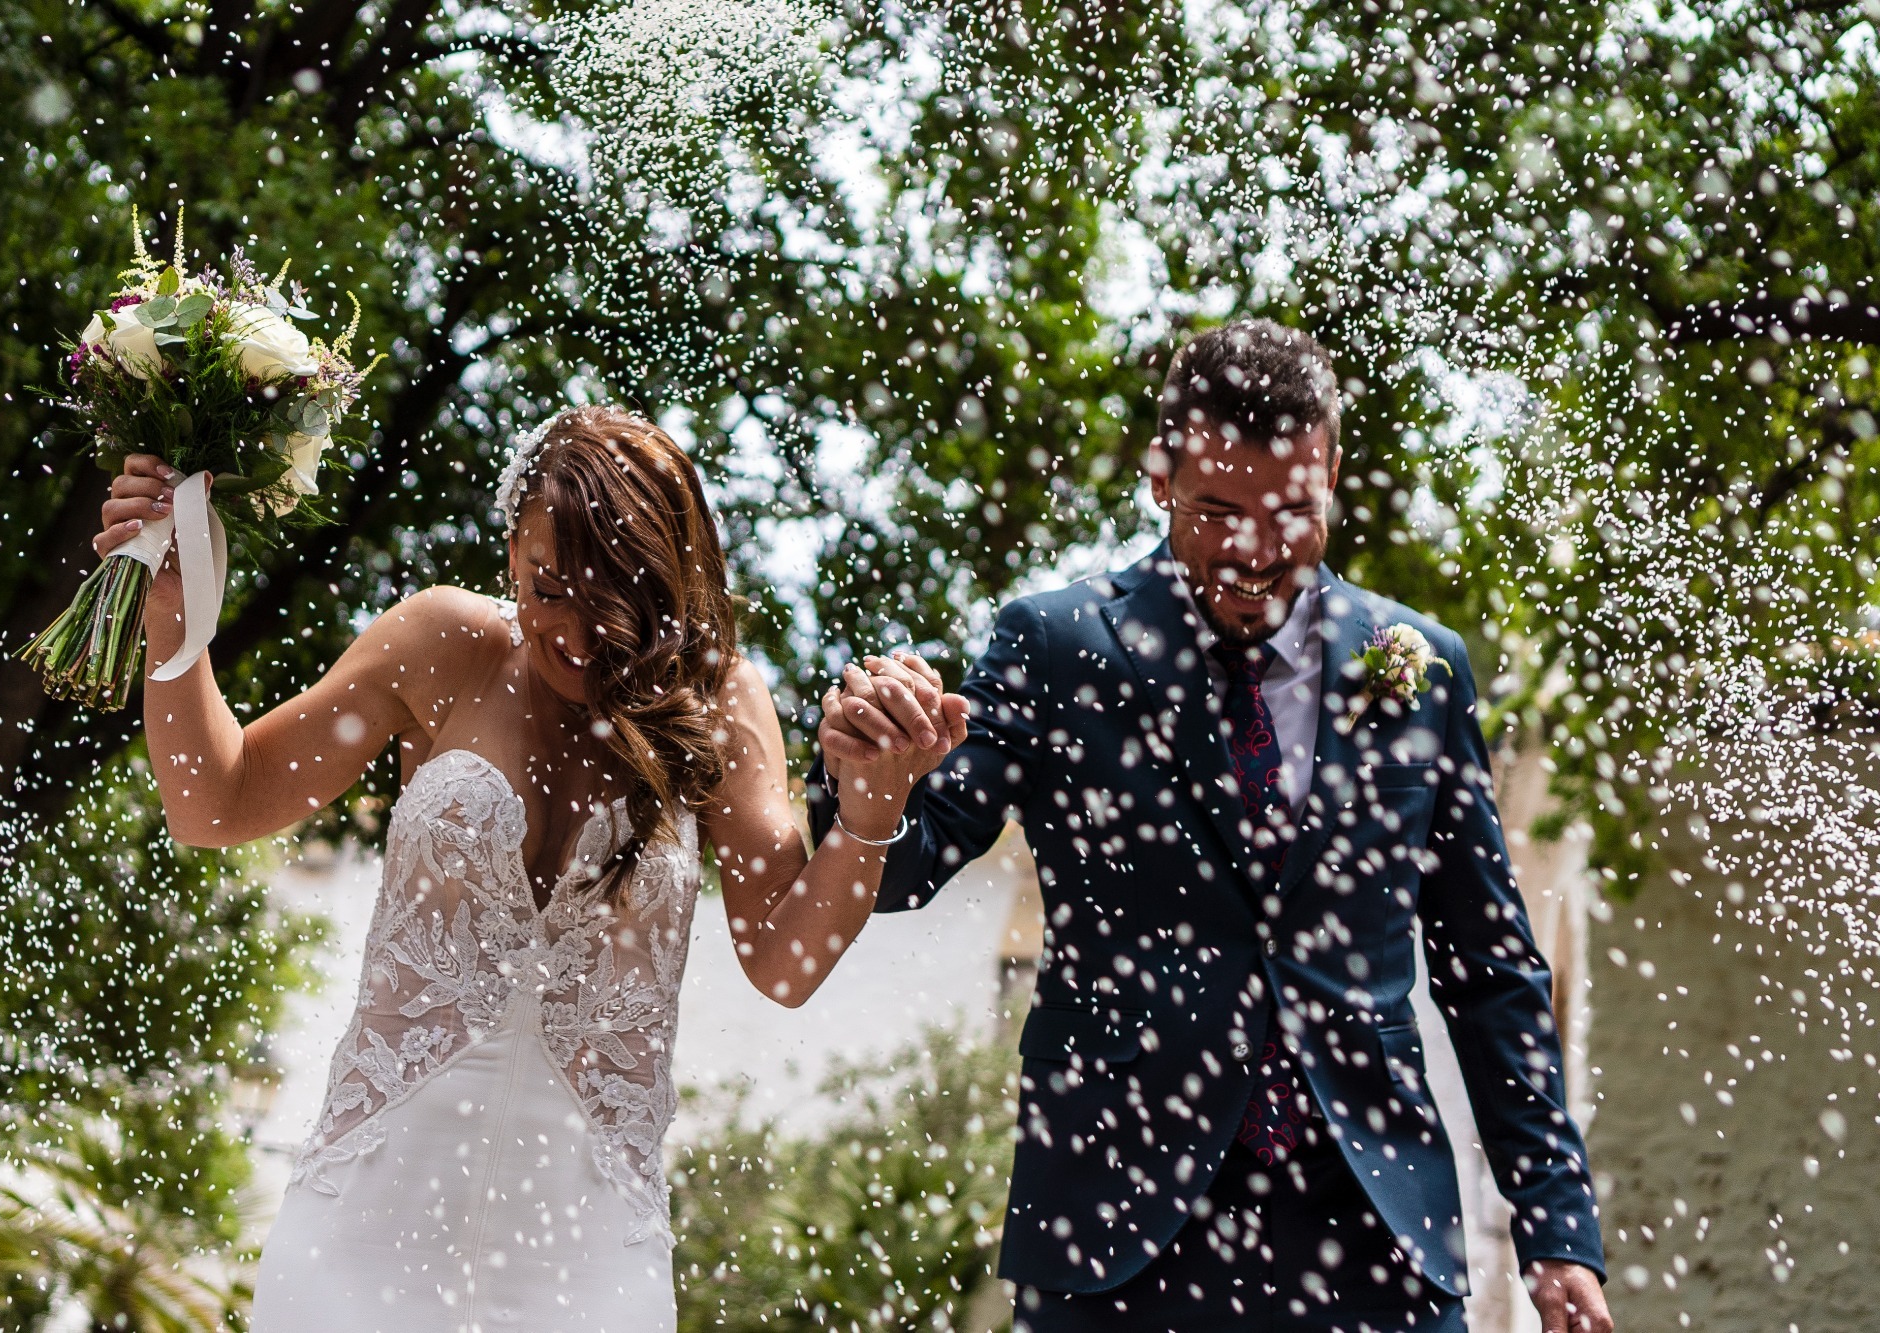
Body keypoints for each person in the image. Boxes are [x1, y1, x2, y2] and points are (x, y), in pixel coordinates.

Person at [811, 320, 1613, 1333]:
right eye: (1217, 511)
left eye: (1291, 512)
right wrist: (866, 779)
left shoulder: (1421, 665)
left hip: (1375, 1236)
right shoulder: (1055, 645)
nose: (1254, 552)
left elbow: (1488, 966)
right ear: (1160, 478)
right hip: (1117, 1234)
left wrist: (1554, 1226)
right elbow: (903, 867)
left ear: (1332, 473)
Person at [90, 405, 958, 1332]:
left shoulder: (722, 704)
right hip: (360, 1241)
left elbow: (785, 963)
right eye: (549, 587)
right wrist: (174, 618)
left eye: (614, 595)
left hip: (588, 1267)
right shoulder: (444, 643)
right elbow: (214, 802)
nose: (575, 628)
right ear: (511, 552)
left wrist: (870, 812)